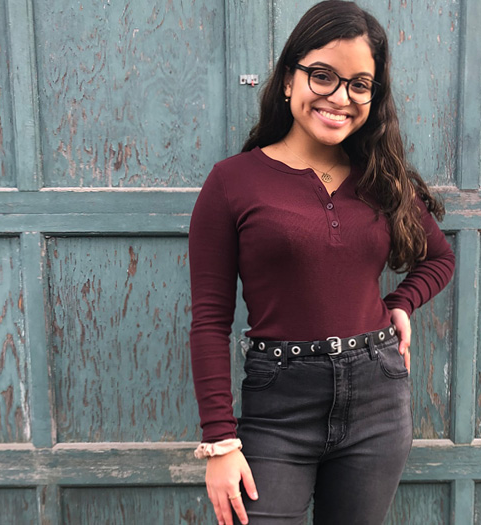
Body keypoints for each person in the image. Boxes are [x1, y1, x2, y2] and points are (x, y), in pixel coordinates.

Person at [188, 2, 455, 524]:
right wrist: (219, 440)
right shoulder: (232, 182)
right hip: (277, 408)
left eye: (360, 84)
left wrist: (401, 302)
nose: (340, 97)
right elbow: (210, 321)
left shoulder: (381, 175)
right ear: (289, 79)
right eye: (323, 76)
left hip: (378, 398)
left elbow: (438, 258)